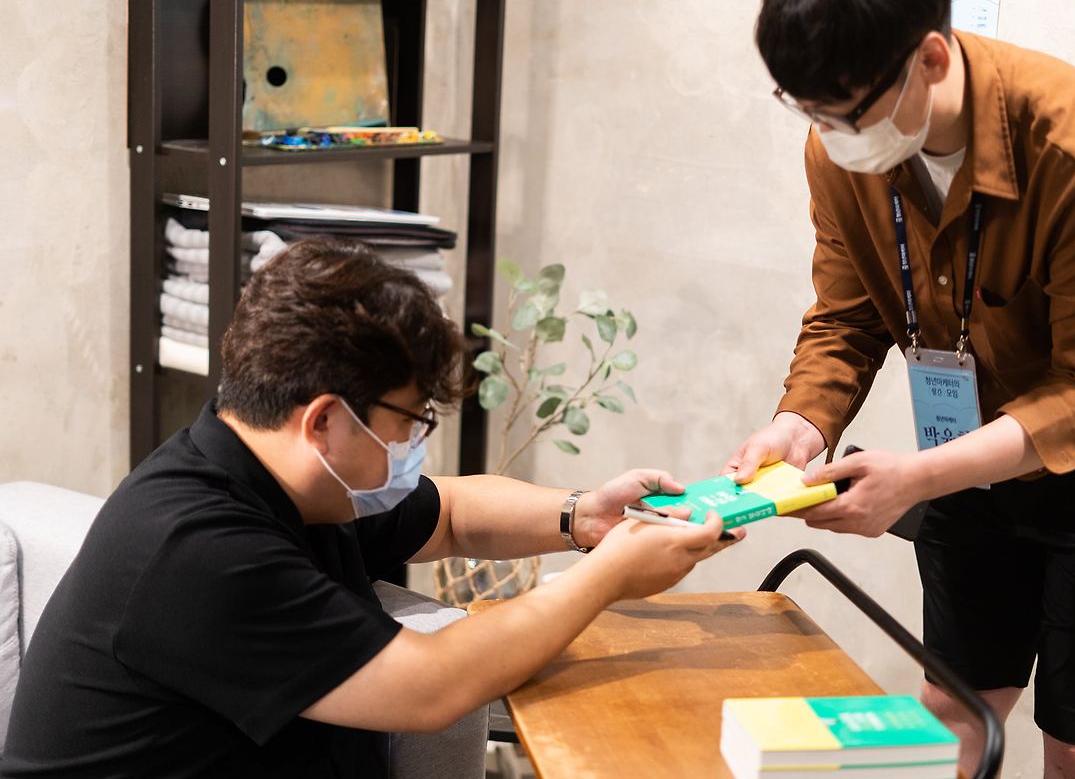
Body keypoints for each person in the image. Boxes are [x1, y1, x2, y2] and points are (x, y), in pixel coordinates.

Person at [724, 0, 1075, 778]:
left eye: (847, 113)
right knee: (955, 702)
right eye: (808, 111)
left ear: (931, 56)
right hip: (969, 443)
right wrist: (800, 424)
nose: (831, 136)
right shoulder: (839, 149)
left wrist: (917, 478)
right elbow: (846, 315)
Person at [2, 238, 739, 778]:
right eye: (411, 421)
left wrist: (584, 517)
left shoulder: (286, 479)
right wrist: (610, 575)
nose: (415, 444)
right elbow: (432, 685)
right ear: (325, 420)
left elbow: (451, 514)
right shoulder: (198, 549)